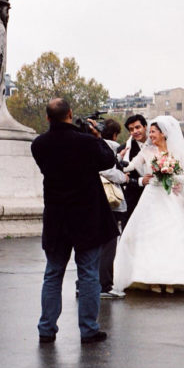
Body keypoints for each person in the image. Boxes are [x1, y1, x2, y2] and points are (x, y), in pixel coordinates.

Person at [30, 98, 118, 344]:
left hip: (57, 218)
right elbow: (109, 160)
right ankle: (88, 329)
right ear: (70, 113)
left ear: (48, 118)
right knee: (89, 273)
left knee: (53, 273)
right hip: (86, 217)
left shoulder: (39, 145)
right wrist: (96, 136)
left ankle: (46, 328)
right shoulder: (87, 143)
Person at [112, 116, 184, 295]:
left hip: (170, 198)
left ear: (163, 133)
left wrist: (170, 176)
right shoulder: (146, 151)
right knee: (148, 238)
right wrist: (118, 158)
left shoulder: (176, 152)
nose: (150, 135)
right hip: (151, 197)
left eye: (153, 132)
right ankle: (149, 279)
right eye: (151, 132)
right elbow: (129, 167)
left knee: (172, 237)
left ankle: (173, 279)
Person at [97, 118, 127, 298]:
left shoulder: (92, 144)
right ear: (116, 134)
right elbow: (106, 169)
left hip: (93, 199)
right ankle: (105, 285)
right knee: (109, 244)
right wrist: (124, 177)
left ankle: (84, 283)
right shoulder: (112, 147)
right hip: (110, 201)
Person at [118, 114, 149, 230]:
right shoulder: (124, 150)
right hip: (133, 199)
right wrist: (140, 181)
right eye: (131, 129)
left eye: (138, 127)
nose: (135, 131)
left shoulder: (157, 144)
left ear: (145, 127)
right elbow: (119, 176)